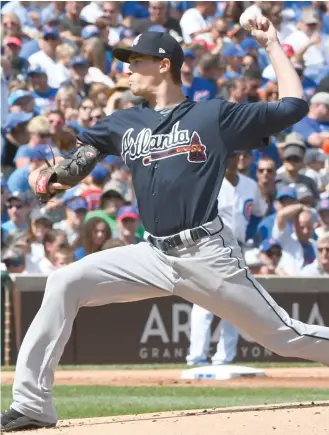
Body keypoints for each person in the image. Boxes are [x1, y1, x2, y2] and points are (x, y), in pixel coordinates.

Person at [2, 20, 329, 432]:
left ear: (163, 65)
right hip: (152, 252)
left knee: (282, 337)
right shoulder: (125, 122)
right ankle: (32, 404)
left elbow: (292, 107)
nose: (126, 69)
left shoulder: (213, 115)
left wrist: (272, 45)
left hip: (207, 253)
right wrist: (58, 177)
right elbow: (89, 150)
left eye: (134, 61)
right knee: (64, 282)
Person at [187, 151, 267, 366]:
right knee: (204, 302)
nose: (235, 160)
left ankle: (225, 356)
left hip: (237, 248)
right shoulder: (209, 182)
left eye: (238, 155)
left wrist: (250, 235)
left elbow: (259, 212)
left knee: (235, 303)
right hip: (210, 247)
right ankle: (197, 356)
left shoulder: (250, 185)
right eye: (230, 155)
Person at [272, 203, 317, 275]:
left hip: (313, 285)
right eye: (302, 227)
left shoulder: (317, 246)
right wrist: (301, 206)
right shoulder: (285, 240)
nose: (305, 231)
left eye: (309, 227)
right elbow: (281, 215)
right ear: (294, 226)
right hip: (289, 284)